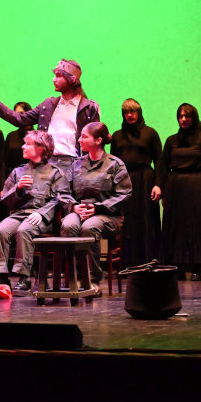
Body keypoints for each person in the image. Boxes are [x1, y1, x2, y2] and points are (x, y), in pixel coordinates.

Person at [0, 59, 100, 176]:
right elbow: (20, 119)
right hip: (47, 164)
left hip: (74, 166)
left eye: (59, 76)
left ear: (72, 79)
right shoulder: (48, 105)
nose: (54, 79)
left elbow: (96, 143)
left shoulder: (88, 108)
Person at [0, 130, 68, 295]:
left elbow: (60, 199)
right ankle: (3, 277)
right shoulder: (18, 172)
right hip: (19, 214)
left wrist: (41, 213)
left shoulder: (55, 173)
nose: (23, 147)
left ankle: (23, 277)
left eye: (27, 144)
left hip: (40, 217)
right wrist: (17, 189)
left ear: (41, 148)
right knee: (1, 230)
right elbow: (5, 199)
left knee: (24, 230)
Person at [61, 122, 132, 292]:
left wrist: (98, 208)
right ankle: (74, 278)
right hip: (79, 210)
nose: (79, 139)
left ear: (99, 140)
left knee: (90, 227)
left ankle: (92, 280)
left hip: (107, 215)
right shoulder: (76, 164)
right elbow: (63, 192)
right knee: (69, 225)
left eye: (84, 136)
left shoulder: (115, 164)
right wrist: (74, 206)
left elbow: (124, 193)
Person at [155, 103, 201, 281]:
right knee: (176, 226)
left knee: (198, 225)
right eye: (180, 116)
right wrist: (162, 189)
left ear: (193, 118)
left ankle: (197, 267)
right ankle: (177, 266)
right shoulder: (171, 140)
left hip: (198, 185)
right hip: (175, 186)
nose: (183, 119)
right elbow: (163, 166)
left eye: (186, 116)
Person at [110, 99, 162, 266]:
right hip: (124, 181)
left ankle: (149, 260)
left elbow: (159, 161)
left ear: (139, 113)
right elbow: (113, 163)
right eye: (126, 112)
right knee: (128, 221)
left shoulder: (151, 133)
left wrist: (158, 184)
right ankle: (128, 262)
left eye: (132, 112)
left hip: (146, 180)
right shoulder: (117, 136)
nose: (129, 115)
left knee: (147, 219)